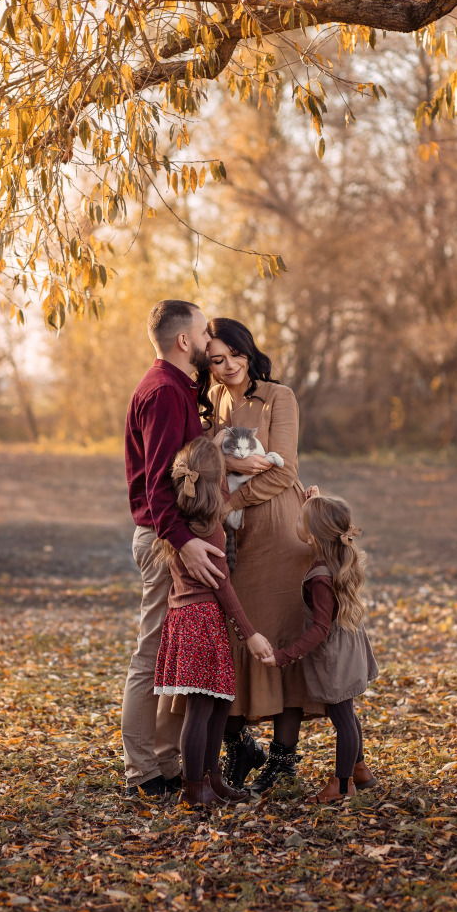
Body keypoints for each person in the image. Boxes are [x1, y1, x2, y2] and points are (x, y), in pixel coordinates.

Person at [197, 317, 322, 796]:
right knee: (235, 633)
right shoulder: (214, 401)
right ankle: (241, 745)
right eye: (216, 360)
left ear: (248, 353)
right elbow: (206, 458)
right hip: (232, 536)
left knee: (282, 631)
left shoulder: (278, 396)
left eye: (234, 355)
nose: (227, 366)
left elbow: (284, 469)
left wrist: (228, 502)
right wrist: (224, 467)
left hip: (275, 528)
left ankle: (284, 757)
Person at [123, 300, 227, 797]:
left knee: (171, 656)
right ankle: (141, 772)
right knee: (150, 656)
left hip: (175, 539)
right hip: (166, 540)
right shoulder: (164, 392)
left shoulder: (179, 388)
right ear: (184, 341)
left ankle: (166, 765)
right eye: (205, 333)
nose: (211, 341)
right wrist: (183, 543)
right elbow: (157, 485)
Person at [153, 437, 272, 807]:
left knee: (219, 703)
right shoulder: (209, 527)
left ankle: (212, 780)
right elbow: (221, 585)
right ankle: (193, 788)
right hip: (201, 620)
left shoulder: (183, 521)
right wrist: (249, 633)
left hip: (190, 619)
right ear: (217, 480)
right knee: (202, 708)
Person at [263, 494, 379, 803]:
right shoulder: (337, 559)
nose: (296, 523)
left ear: (313, 535)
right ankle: (360, 770)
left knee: (342, 717)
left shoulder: (320, 576)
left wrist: (284, 655)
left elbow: (319, 628)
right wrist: (313, 505)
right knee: (347, 712)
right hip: (349, 644)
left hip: (334, 655)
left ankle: (341, 786)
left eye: (300, 520)